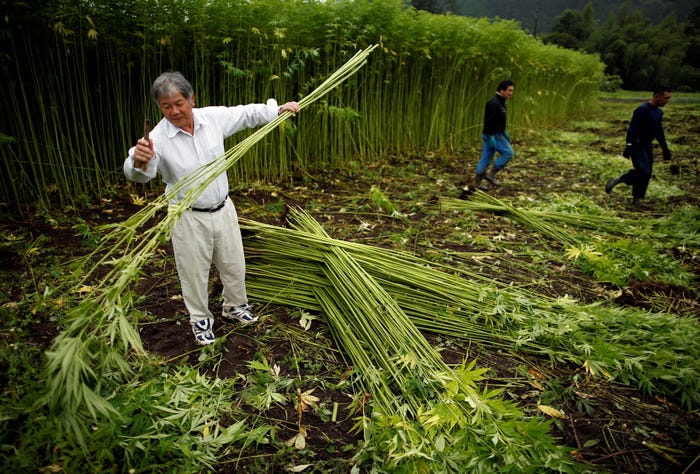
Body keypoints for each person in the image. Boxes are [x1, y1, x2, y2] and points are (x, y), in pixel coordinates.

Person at [124, 71, 300, 345]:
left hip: (223, 208)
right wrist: (137, 160)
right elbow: (141, 173)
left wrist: (276, 110)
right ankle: (201, 320)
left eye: (179, 103)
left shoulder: (211, 118)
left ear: (192, 99)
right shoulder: (157, 138)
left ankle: (234, 307)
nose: (174, 111)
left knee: (233, 265)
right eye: (166, 106)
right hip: (188, 217)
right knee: (193, 272)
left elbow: (245, 114)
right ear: (160, 107)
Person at [605, 86, 672, 208]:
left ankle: (637, 200)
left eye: (669, 98)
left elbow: (659, 132)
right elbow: (632, 129)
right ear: (657, 96)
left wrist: (665, 149)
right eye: (665, 98)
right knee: (644, 172)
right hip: (637, 144)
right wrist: (629, 145)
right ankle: (619, 180)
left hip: (647, 145)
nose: (667, 101)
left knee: (647, 172)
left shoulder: (659, 112)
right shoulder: (642, 109)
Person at [474, 79, 515, 191]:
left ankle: (477, 183)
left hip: (495, 133)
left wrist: (504, 131)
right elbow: (489, 121)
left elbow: (499, 120)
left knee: (486, 157)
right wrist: (490, 136)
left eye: (512, 91)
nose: (511, 93)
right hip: (492, 134)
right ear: (501, 90)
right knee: (508, 153)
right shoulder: (493, 103)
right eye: (509, 91)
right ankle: (491, 174)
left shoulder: (501, 102)